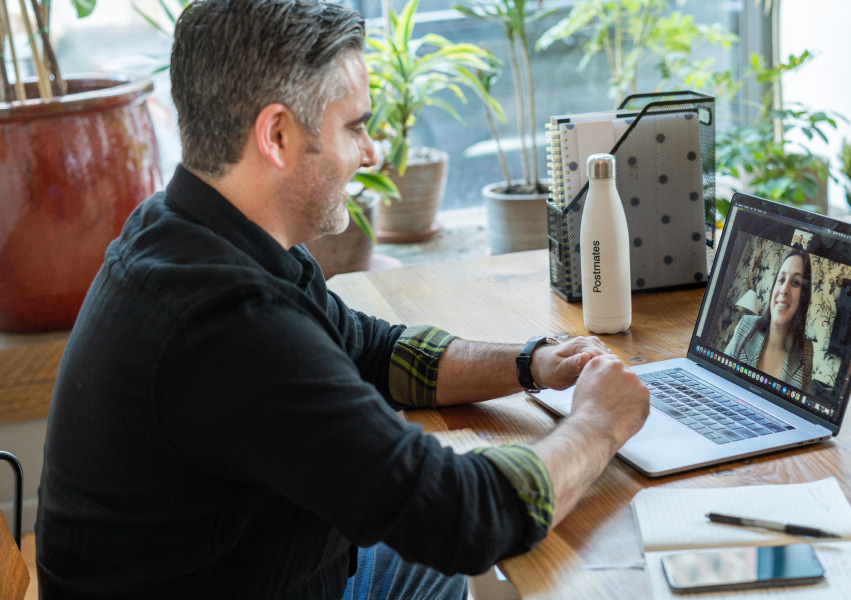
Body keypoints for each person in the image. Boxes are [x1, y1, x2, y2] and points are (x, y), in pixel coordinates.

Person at [34, 0, 650, 598]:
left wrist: (531, 363)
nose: (371, 151)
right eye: (355, 125)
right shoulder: (227, 324)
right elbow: (464, 518)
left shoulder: (196, 230)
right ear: (277, 133)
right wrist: (601, 422)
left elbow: (375, 352)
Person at [725, 248, 814, 391]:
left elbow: (800, 408)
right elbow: (720, 377)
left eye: (796, 282)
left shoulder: (806, 351)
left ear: (803, 297)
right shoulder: (745, 326)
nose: (784, 289)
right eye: (781, 279)